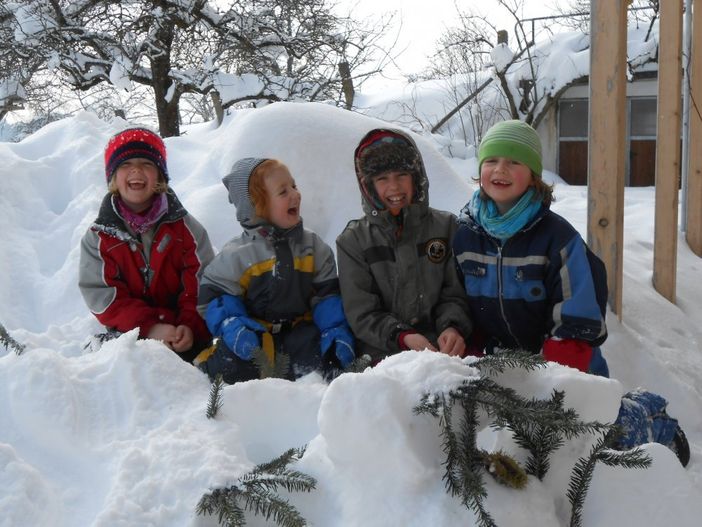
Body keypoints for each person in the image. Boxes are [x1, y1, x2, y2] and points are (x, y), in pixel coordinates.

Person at [452, 119, 689, 466]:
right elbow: (456, 301)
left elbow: (579, 314)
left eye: (514, 162)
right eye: (491, 161)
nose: (500, 170)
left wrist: (551, 379)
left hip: (565, 363)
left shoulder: (556, 238)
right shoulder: (464, 235)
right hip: (501, 364)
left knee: (596, 442)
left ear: (533, 175)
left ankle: (651, 416)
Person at [196, 158, 354, 383]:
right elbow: (216, 300)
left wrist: (334, 330)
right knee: (232, 367)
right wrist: (233, 324)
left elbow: (326, 297)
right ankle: (205, 375)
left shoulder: (313, 248)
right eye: (283, 192)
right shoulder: (238, 255)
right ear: (256, 207)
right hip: (256, 337)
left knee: (328, 362)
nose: (295, 194)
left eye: (294, 186)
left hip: (301, 334)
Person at [336, 128, 472, 364]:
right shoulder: (353, 241)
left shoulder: (446, 227)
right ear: (368, 186)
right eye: (382, 179)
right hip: (381, 356)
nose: (394, 187)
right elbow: (362, 313)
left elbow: (455, 293)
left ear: (416, 176)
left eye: (401, 175)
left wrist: (452, 327)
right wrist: (402, 336)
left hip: (443, 351)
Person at [79, 127, 214, 362]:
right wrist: (150, 328)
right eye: (125, 164)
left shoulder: (187, 230)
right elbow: (103, 296)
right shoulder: (98, 238)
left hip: (183, 336)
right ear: (113, 176)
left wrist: (189, 326)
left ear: (160, 176)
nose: (136, 170)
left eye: (146, 163)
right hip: (129, 334)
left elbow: (202, 282)